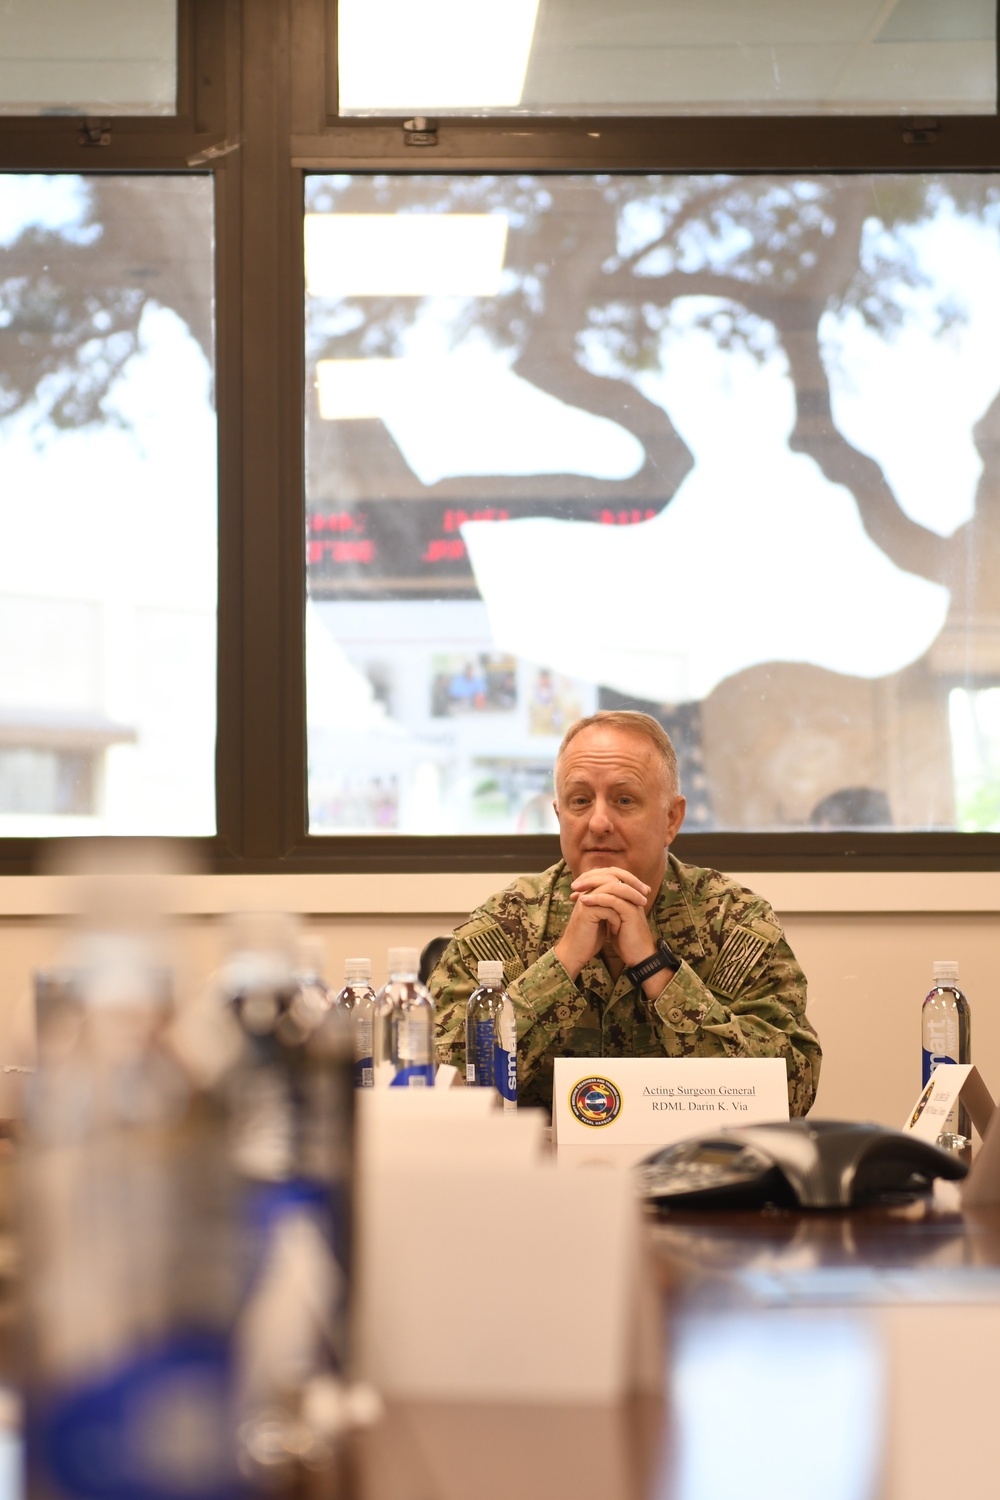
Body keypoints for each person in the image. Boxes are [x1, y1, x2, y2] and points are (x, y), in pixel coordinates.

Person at [429, 710, 820, 1114]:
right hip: (542, 1172)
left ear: (672, 819)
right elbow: (441, 1088)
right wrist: (561, 965)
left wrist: (655, 969)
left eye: (624, 800)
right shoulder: (504, 924)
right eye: (580, 801)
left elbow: (790, 1093)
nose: (598, 822)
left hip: (694, 1170)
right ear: (560, 815)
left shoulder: (733, 922)